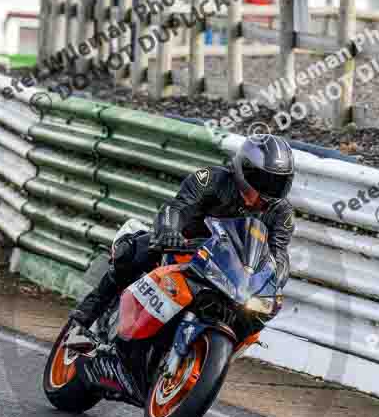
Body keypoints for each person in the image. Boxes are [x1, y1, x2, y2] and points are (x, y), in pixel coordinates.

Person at [71, 134, 296, 337]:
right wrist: (169, 232)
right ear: (245, 170)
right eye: (264, 181)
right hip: (184, 249)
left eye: (278, 184)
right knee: (131, 251)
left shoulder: (281, 213)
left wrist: (275, 278)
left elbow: (279, 253)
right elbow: (177, 208)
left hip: (230, 273)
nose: (269, 192)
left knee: (254, 316)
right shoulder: (212, 179)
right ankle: (85, 316)